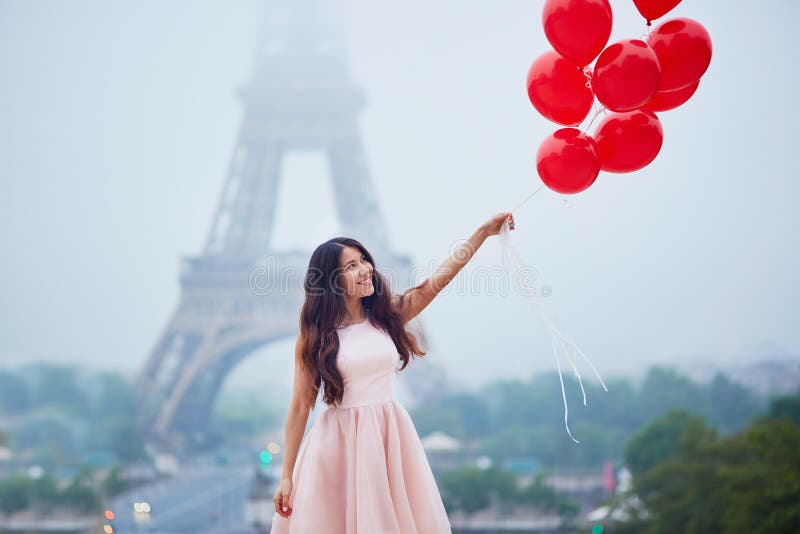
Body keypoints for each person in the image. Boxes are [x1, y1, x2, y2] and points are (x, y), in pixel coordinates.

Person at [270, 212, 515, 534]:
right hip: (337, 442)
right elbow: (301, 406)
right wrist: (287, 474)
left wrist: (481, 234)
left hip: (388, 434)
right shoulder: (316, 335)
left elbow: (434, 284)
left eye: (363, 260)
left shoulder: (387, 315)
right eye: (351, 266)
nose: (365, 269)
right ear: (331, 281)